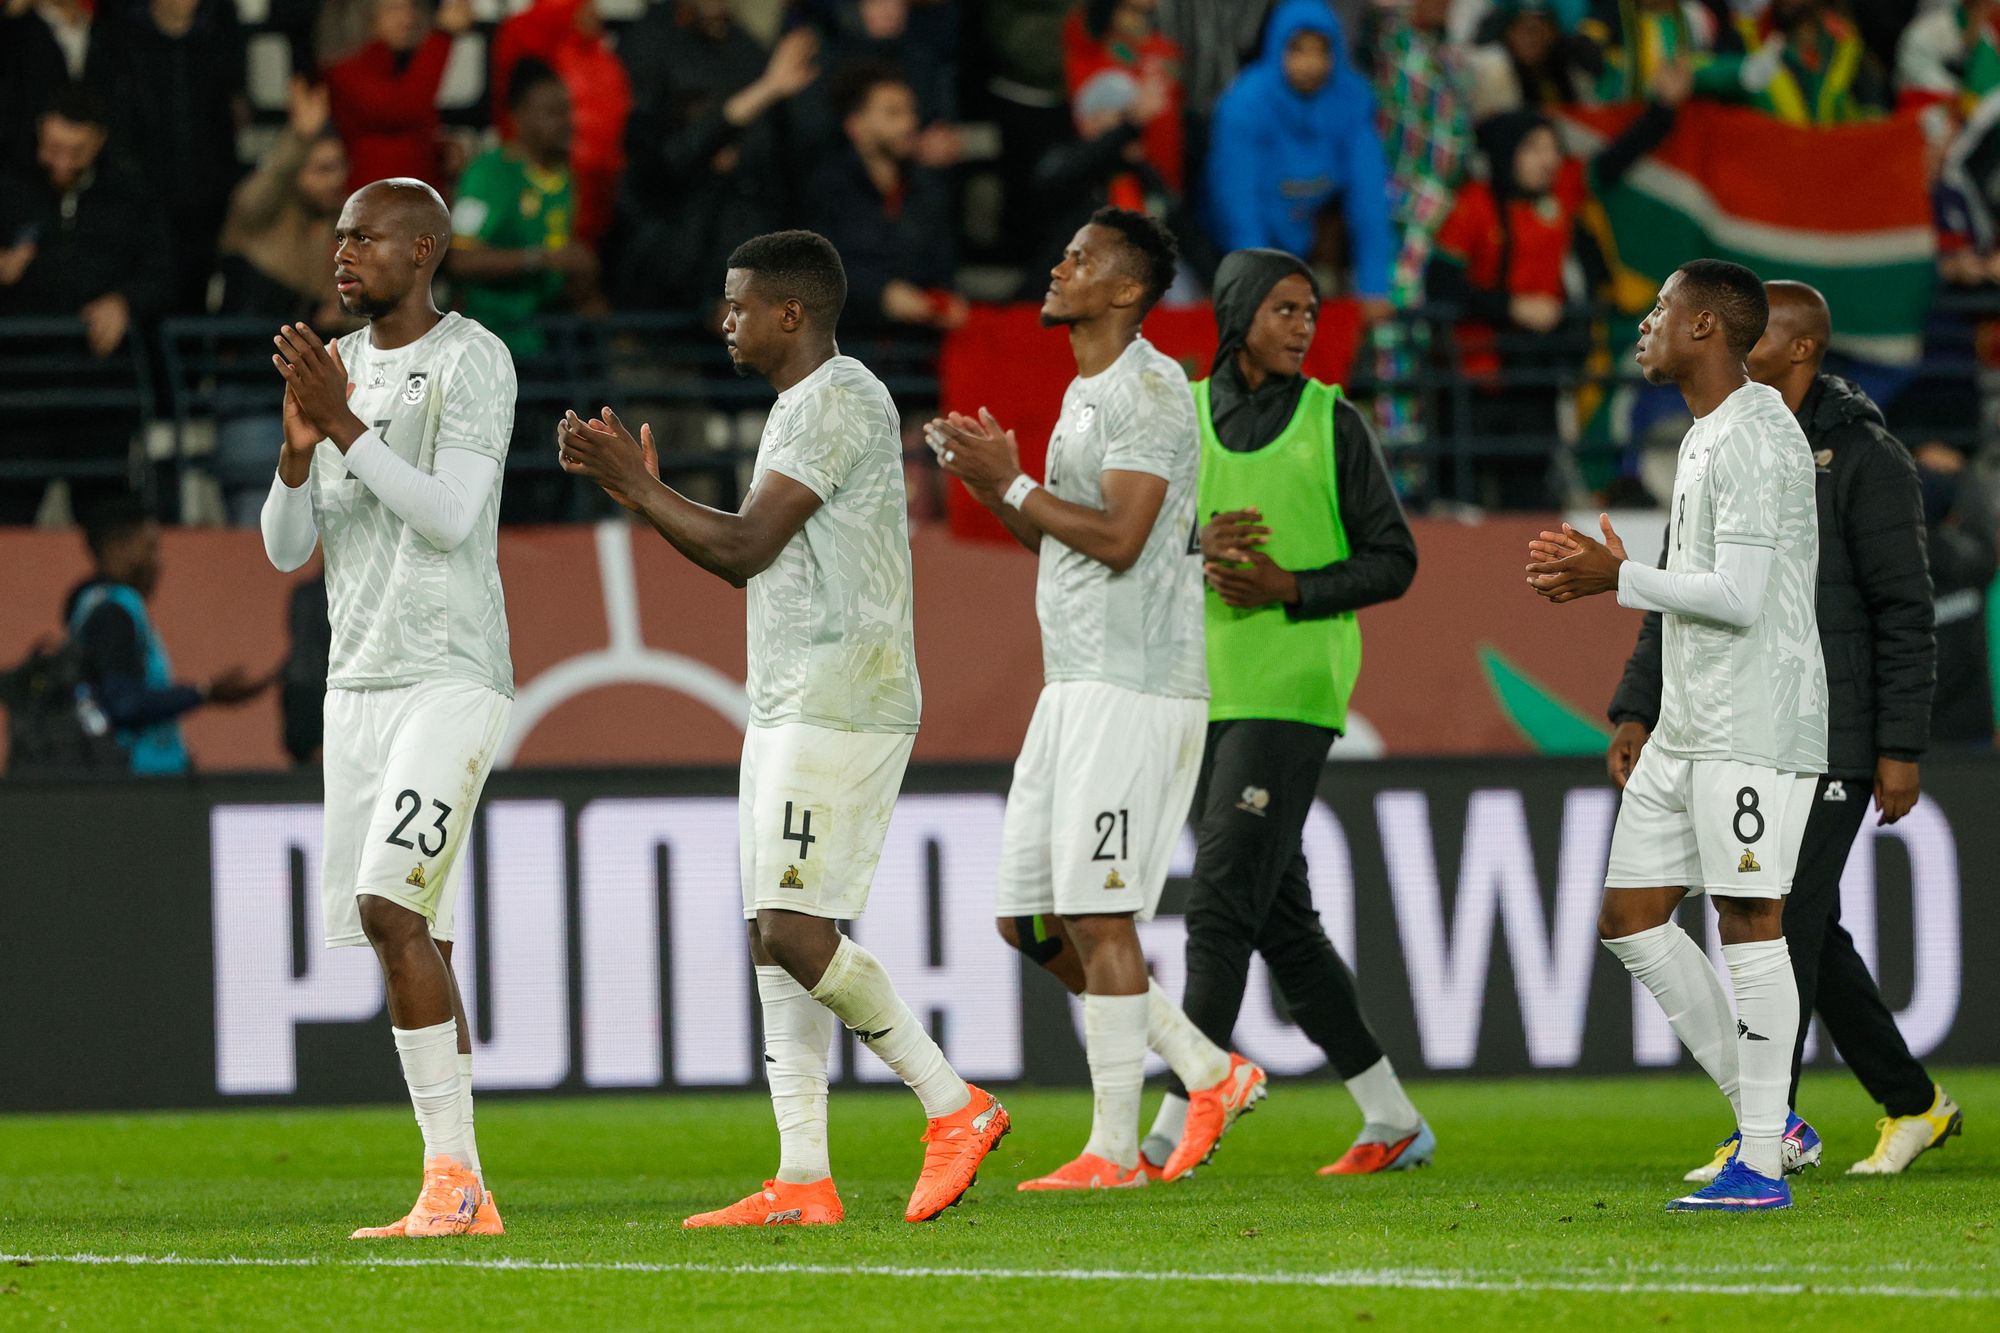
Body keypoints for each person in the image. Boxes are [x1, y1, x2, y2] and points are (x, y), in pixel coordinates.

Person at [556, 230, 1009, 1228]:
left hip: (843, 691)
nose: (725, 321)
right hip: (791, 693)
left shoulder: (838, 400)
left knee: (795, 927)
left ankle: (952, 1102)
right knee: (774, 932)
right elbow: (752, 546)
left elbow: (744, 545)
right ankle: (802, 1175)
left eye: (738, 304)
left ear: (790, 313)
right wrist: (641, 490)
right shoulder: (801, 409)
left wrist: (633, 489)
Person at [930, 208, 1264, 1190]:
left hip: (1135, 682)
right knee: (1029, 920)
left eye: (1077, 259)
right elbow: (1070, 534)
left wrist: (1014, 480)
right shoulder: (1086, 393)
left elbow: (1120, 537)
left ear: (1125, 291)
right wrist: (995, 489)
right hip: (1071, 681)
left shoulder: (1152, 389)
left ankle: (1113, 1152)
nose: (1055, 265)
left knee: (1094, 911)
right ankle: (1207, 1070)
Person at [1608, 280, 1963, 1179]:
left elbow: (1901, 608)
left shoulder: (1860, 457)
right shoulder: (1716, 435)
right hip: (1715, 712)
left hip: (1814, 725)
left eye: (1766, 335)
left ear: (1800, 348)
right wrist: (1637, 704)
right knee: (1805, 926)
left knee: (1779, 919)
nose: (1752, 342)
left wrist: (1899, 744)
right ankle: (1903, 1102)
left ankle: (1765, 1138)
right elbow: (1674, 583)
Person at [1525, 259, 1827, 1211]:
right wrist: (1643, 704)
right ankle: (1767, 1114)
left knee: (1748, 917)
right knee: (1630, 915)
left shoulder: (1756, 436)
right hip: (1691, 725)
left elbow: (1738, 600)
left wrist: (1611, 576)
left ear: (1703, 327)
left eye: (1659, 310)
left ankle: (1762, 1167)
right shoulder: (1702, 436)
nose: (1644, 324)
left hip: (1753, 719)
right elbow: (1691, 593)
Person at [261, 177, 518, 1239]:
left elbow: (454, 517)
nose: (343, 252)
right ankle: (463, 1188)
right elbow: (286, 548)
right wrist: (294, 450)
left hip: (449, 671)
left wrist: (344, 425)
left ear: (425, 251)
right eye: (338, 237)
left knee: (389, 909)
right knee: (419, 935)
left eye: (366, 237)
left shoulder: (471, 359)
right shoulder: (341, 367)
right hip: (357, 683)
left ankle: (449, 1178)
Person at [1136, 247, 1425, 1178]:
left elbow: (1395, 559)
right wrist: (1188, 542)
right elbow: (1131, 537)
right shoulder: (1179, 414)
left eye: (1310, 309)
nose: (1303, 324)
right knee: (1279, 921)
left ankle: (1176, 1126)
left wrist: (1289, 584)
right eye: (1285, 309)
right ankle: (1392, 1120)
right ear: (1237, 314)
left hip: (1293, 687)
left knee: (1217, 900)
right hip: (1200, 687)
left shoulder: (1329, 420)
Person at [1425, 63, 1687, 508]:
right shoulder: (1471, 207)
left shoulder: (1562, 191)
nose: (1549, 159)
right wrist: (1511, 306)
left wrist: (1663, 109)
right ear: (1507, 153)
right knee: (1461, 498)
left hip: (1535, 374)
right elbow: (1441, 288)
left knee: (1529, 498)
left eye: (1552, 148)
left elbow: (1616, 158)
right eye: (1534, 148)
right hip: (1472, 377)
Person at [0, 83, 171, 524]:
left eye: (74, 151)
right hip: (20, 388)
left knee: (108, 519)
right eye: (52, 147)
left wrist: (125, 303)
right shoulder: (10, 186)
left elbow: (163, 272)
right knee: (11, 519)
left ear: (98, 141)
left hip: (101, 389)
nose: (59, 162)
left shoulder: (130, 194)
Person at [613, 1, 818, 313]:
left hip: (745, 251)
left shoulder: (746, 48)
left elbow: (780, 162)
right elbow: (658, 165)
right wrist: (757, 97)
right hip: (672, 267)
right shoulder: (650, 43)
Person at [214, 77, 353, 525]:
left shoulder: (346, 236)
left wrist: (345, 319)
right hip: (253, 400)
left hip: (326, 407)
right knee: (260, 528)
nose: (335, 181)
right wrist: (300, 137)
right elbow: (263, 188)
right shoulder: (255, 224)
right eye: (321, 168)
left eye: (339, 168)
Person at [1205, 0, 1394, 322]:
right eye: (1297, 49)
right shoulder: (1245, 104)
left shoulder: (1350, 100)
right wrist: (1259, 284)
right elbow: (1237, 204)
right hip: (1232, 245)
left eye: (1322, 50)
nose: (1311, 63)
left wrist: (1375, 287)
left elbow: (1371, 199)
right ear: (1276, 47)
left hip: (1312, 244)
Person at [64, 493, 272, 775]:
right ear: (116, 549)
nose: (158, 562)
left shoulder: (91, 606)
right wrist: (203, 693)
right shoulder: (114, 613)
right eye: (150, 548)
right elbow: (122, 704)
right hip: (137, 782)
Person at [91, 0, 246, 313]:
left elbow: (231, 116)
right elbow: (112, 119)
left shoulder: (221, 30)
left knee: (197, 297)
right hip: (141, 196)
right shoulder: (119, 34)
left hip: (207, 198)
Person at [448, 59, 600, 361]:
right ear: (518, 117)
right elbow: (460, 260)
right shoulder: (490, 175)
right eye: (552, 113)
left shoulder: (565, 177)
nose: (566, 121)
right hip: (495, 342)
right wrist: (540, 259)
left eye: (566, 110)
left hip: (552, 339)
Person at [806, 62, 964, 332]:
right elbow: (817, 268)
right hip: (847, 349)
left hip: (918, 351)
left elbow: (943, 266)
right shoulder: (827, 189)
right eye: (893, 113)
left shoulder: (926, 190)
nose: (909, 123)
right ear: (855, 125)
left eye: (910, 112)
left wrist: (944, 300)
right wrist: (880, 295)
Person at [488, 0, 630, 249]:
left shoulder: (598, 54)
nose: (596, 12)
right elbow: (516, 113)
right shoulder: (530, 37)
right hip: (549, 185)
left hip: (599, 189)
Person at [323, 0, 472, 193]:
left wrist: (439, 152)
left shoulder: (401, 68)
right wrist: (443, 36)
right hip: (375, 208)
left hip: (417, 205)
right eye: (393, 9)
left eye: (412, 8)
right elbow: (403, 108)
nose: (408, 19)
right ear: (366, 16)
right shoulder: (344, 72)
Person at [1914, 440, 1999, 747]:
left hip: (1917, 729)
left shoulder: (1896, 560)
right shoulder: (1973, 558)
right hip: (1968, 726)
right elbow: (1984, 525)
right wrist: (1966, 475)